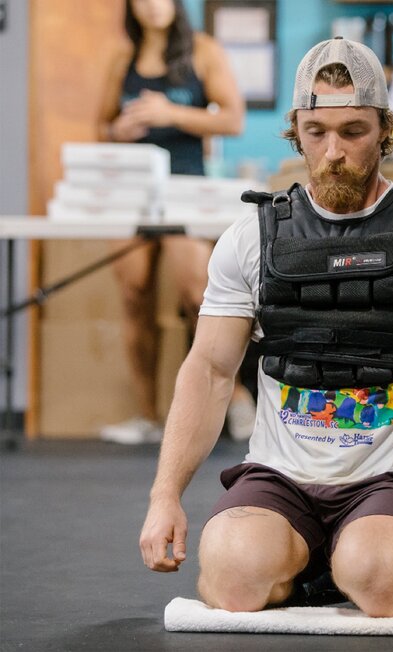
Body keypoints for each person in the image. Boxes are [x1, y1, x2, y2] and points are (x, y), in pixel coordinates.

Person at [139, 37, 393, 617]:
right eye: (317, 131)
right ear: (295, 128)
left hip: (390, 478)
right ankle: (316, 562)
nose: (333, 151)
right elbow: (211, 370)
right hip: (281, 476)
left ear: (386, 130)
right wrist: (164, 496)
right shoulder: (251, 239)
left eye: (353, 130)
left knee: (379, 583)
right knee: (232, 580)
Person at [96, 0, 255, 444]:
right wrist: (117, 131)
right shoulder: (121, 56)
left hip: (186, 191)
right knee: (133, 292)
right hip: (131, 194)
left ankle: (238, 396)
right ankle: (148, 415)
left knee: (198, 291)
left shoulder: (202, 50)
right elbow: (100, 127)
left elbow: (233, 118)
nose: (152, 5)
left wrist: (172, 115)